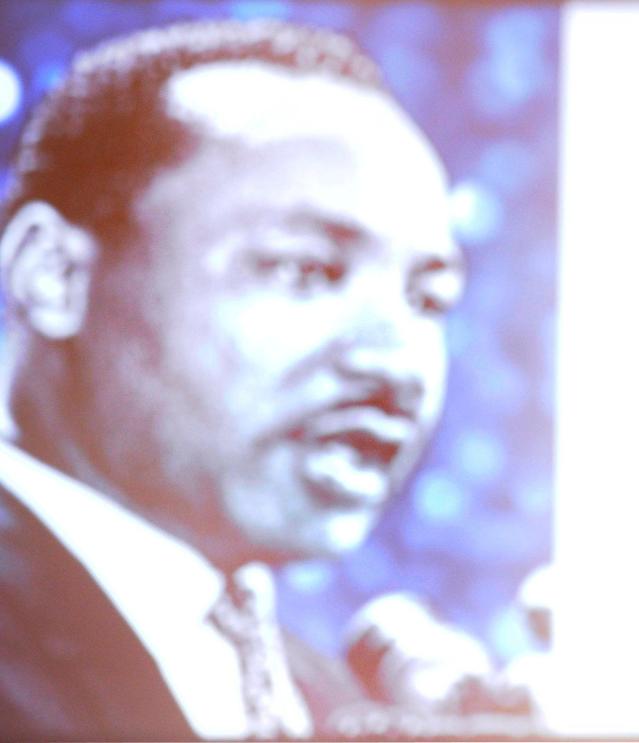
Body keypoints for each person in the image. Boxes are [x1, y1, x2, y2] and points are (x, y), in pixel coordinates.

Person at [0, 19, 466, 740]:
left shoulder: (333, 700)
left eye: (428, 300)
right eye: (306, 271)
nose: (396, 364)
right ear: (52, 274)